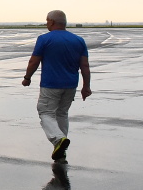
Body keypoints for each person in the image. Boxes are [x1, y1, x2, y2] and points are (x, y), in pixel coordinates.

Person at [21, 9, 91, 161]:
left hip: (51, 84)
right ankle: (60, 148)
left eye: (47, 21)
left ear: (51, 22)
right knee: (61, 113)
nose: (46, 24)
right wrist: (86, 86)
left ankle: (58, 140)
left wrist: (27, 77)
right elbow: (84, 66)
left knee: (45, 112)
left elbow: (34, 60)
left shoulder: (45, 39)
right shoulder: (78, 40)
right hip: (71, 85)